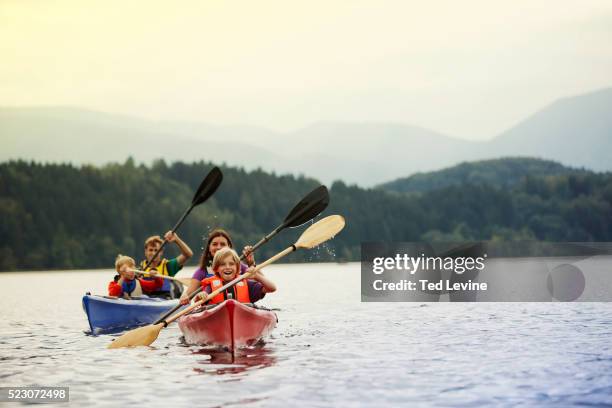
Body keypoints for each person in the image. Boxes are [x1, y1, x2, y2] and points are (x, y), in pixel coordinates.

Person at [179, 228, 255, 305]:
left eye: (222, 244)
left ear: (229, 247)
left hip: (240, 308)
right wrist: (184, 296)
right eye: (215, 244)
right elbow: (187, 295)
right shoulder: (202, 271)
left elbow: (259, 281)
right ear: (209, 247)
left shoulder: (238, 266)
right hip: (212, 311)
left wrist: (251, 264)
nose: (218, 247)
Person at [197, 247, 275, 304]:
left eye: (231, 264)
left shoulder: (247, 284)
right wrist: (200, 295)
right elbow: (198, 301)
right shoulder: (210, 286)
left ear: (237, 267)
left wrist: (256, 276)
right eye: (223, 264)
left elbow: (272, 288)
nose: (227, 267)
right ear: (216, 268)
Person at [140, 231, 193, 297]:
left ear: (161, 252)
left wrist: (176, 240)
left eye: (156, 250)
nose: (153, 253)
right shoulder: (140, 269)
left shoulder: (168, 266)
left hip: (165, 301)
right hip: (146, 301)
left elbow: (188, 254)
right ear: (145, 252)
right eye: (151, 250)